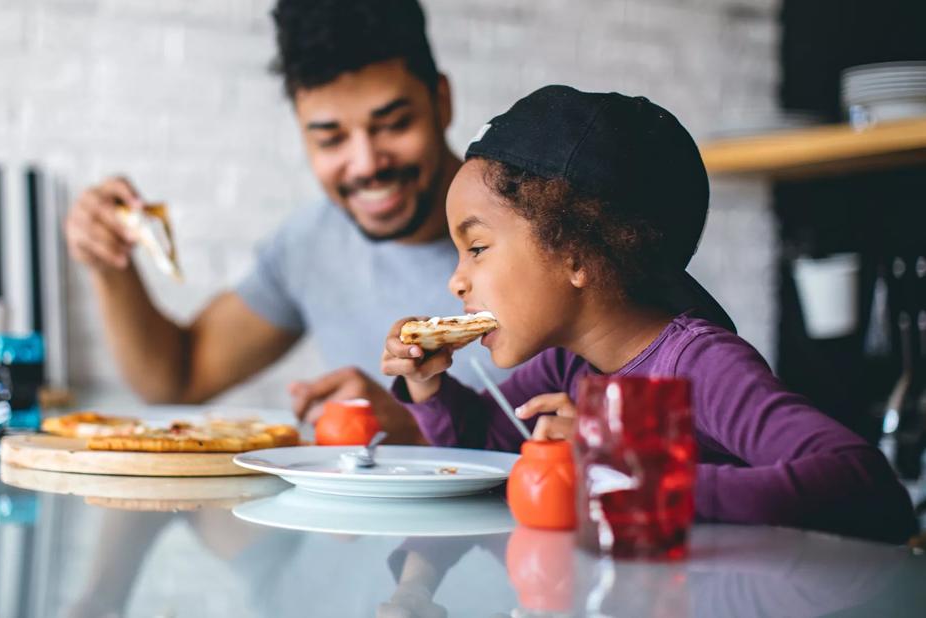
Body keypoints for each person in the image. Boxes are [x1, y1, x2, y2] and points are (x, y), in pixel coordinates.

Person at [381, 85, 917, 543]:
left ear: (573, 251)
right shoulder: (572, 366)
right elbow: (483, 447)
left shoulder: (701, 367)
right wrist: (429, 386)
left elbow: (866, 488)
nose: (456, 281)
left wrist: (630, 464)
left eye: (476, 248)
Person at [62, 0, 509, 442]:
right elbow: (176, 379)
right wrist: (109, 263)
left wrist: (420, 429)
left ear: (442, 101)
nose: (366, 163)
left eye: (393, 124)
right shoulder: (311, 243)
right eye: (331, 138)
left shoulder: (539, 230)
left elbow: (572, 433)